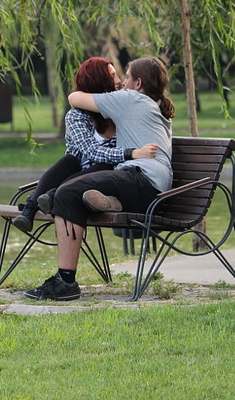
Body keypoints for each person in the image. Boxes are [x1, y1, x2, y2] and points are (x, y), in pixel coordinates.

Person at [24, 57, 175, 301]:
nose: (121, 82)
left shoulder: (130, 99)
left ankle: (65, 282)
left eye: (126, 77)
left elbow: (75, 97)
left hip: (140, 180)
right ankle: (107, 201)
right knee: (76, 190)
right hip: (146, 189)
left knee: (66, 193)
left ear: (138, 83)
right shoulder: (151, 105)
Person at [11, 57, 158, 232]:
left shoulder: (119, 113)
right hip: (77, 172)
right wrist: (130, 153)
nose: (119, 81)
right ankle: (30, 209)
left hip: (103, 181)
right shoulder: (76, 116)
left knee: (105, 165)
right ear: (98, 81)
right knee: (69, 160)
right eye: (112, 76)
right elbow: (91, 152)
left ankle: (52, 194)